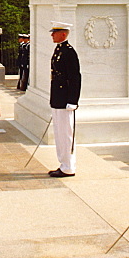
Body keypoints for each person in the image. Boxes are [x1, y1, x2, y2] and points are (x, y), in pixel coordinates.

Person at [48, 22, 81, 178]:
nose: (52, 35)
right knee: (59, 133)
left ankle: (69, 166)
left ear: (63, 34)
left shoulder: (69, 52)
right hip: (57, 97)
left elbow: (75, 78)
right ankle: (63, 164)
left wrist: (73, 100)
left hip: (66, 99)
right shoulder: (59, 50)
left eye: (55, 32)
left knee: (66, 134)